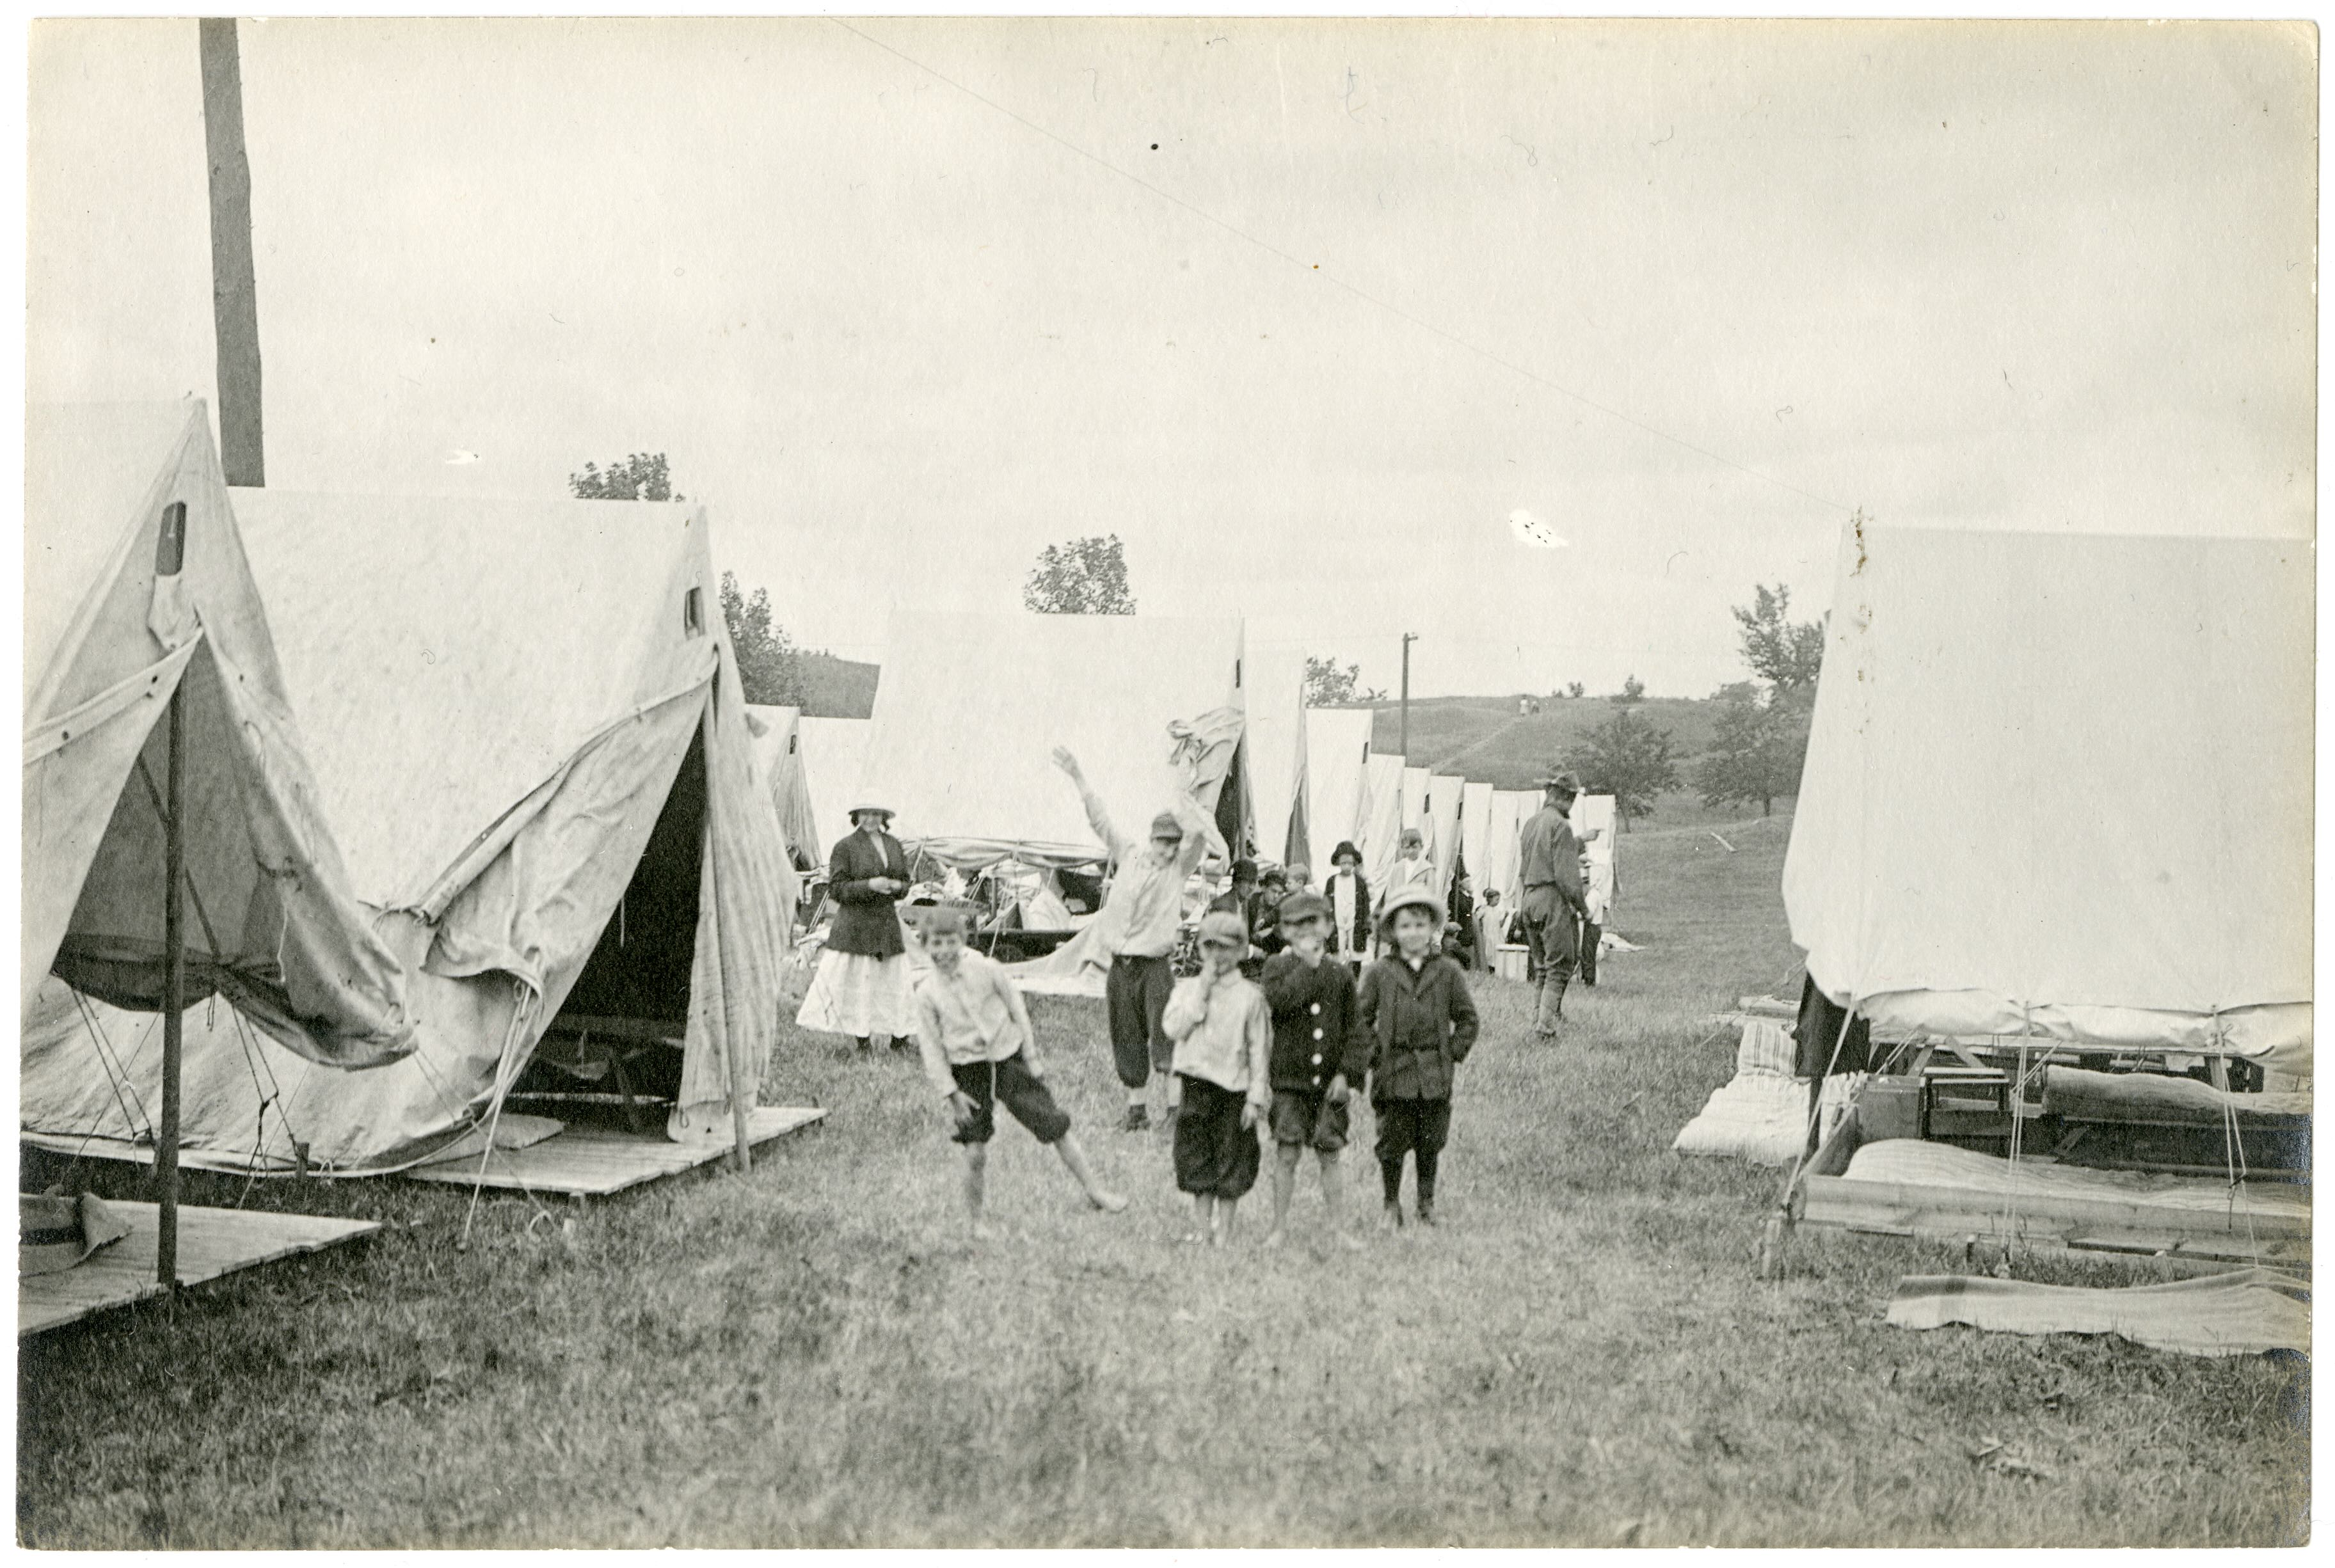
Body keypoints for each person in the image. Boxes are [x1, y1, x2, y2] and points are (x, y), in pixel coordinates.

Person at [912, 907, 1127, 1233]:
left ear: (963, 940)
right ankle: (975, 1222)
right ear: (925, 946)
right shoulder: (927, 992)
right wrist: (951, 1092)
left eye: (950, 942)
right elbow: (931, 1048)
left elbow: (1017, 1010)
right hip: (967, 1072)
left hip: (1009, 1059)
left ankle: (1096, 1191)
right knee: (975, 1151)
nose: (943, 951)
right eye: (935, 944)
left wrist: (1032, 1058)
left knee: (1054, 1124)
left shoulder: (987, 969)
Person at [1053, 747, 1213, 1132]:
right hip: (1119, 965)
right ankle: (1137, 1110)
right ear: (1151, 839)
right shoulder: (1129, 855)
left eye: (1173, 843)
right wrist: (1078, 776)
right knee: (1125, 1035)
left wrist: (1185, 777)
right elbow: (1100, 820)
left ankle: (1176, 1112)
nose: (1167, 848)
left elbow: (1198, 832)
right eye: (1162, 841)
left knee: (1166, 1034)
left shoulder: (1178, 870)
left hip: (1155, 967)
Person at [1357, 886, 1480, 1228]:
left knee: (1431, 1141)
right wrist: (1374, 1055)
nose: (1414, 933)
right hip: (1393, 1074)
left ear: (1432, 930)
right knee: (1392, 1143)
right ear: (1394, 932)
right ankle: (1390, 1204)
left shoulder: (1447, 972)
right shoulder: (1380, 973)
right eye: (1406, 926)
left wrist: (1451, 1052)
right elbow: (1360, 1019)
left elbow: (1468, 1019)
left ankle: (1426, 1203)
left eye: (1421, 925)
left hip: (1433, 1075)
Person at [1258, 891, 1364, 1250]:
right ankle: (1278, 1228)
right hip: (1290, 1082)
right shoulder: (1276, 968)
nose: (1305, 930)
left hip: (1329, 1086)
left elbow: (1356, 1029)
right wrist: (1307, 966)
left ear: (1330, 926)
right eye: (1295, 924)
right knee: (1286, 1153)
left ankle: (1338, 1228)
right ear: (1283, 931)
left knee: (1330, 1153)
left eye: (1313, 922)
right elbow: (1281, 1003)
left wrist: (1346, 1075)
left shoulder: (1342, 974)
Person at [1161, 911, 1271, 1246]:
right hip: (1196, 1086)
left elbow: (1258, 1050)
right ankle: (1203, 1228)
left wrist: (1255, 1096)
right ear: (1199, 950)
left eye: (1226, 948)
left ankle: (1224, 1231)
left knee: (1231, 1159)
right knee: (1196, 1158)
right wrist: (1201, 994)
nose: (1217, 956)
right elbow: (1173, 1029)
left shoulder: (1251, 996)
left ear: (1241, 951)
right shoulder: (1187, 989)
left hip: (1233, 1090)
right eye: (1210, 947)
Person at [798, 803, 918, 1053]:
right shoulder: (845, 847)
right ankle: (863, 1042)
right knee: (859, 982)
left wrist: (897, 887)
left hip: (885, 924)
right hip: (856, 925)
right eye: (865, 813)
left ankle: (900, 1039)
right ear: (856, 816)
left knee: (893, 980)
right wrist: (869, 885)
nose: (870, 819)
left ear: (884, 817)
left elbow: (906, 882)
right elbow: (837, 889)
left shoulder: (893, 845)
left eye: (876, 814)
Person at [1517, 773, 1590, 1040]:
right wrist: (1583, 908)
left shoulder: (1531, 823)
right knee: (1559, 967)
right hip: (1551, 899)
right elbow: (1567, 878)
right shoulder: (1561, 826)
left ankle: (1540, 1019)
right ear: (1568, 798)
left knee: (1542, 968)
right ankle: (1544, 1028)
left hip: (1529, 898)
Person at [1322, 840, 1371, 976]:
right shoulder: (1332, 881)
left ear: (1354, 863)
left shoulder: (1360, 882)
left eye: (1350, 863)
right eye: (1344, 863)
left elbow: (1365, 903)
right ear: (1338, 863)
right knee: (1337, 954)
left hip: (1355, 922)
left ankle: (1354, 979)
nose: (1347, 867)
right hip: (1337, 922)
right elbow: (1326, 903)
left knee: (1355, 952)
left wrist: (1367, 923)